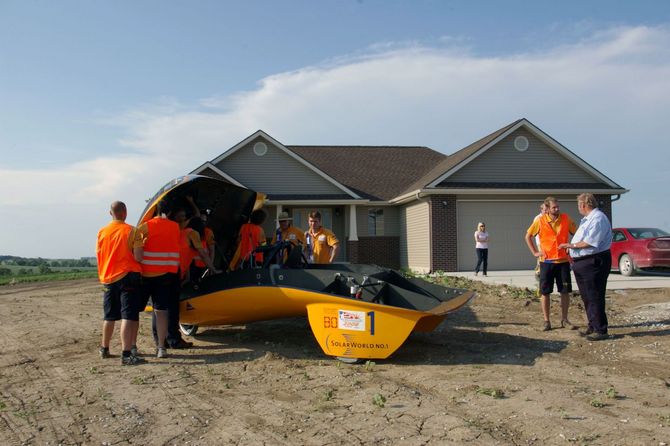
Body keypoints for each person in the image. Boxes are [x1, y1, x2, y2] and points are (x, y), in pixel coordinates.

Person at [559, 193, 612, 341]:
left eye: (578, 205)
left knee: (594, 294)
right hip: (582, 262)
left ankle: (601, 330)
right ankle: (592, 324)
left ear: (583, 205)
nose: (578, 208)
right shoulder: (587, 220)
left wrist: (570, 245)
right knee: (586, 296)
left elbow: (590, 242)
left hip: (593, 261)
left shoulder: (598, 219)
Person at [96, 201, 144, 365]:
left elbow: (100, 255)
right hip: (127, 276)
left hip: (108, 278)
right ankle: (126, 354)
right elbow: (138, 257)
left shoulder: (102, 232)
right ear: (125, 212)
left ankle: (104, 348)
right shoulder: (132, 231)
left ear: (110, 213)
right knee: (127, 316)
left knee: (109, 316)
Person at [133, 199, 181, 358]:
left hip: (146, 275)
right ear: (171, 212)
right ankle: (161, 347)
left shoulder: (145, 226)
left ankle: (132, 346)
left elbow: (138, 252)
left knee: (135, 311)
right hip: (166, 275)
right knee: (161, 312)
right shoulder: (175, 227)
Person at [525, 197, 578, 331]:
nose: (557, 209)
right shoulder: (540, 221)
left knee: (565, 291)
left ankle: (565, 320)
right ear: (547, 209)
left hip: (563, 262)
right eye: (554, 207)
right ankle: (546, 321)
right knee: (545, 292)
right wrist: (535, 252)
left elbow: (577, 233)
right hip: (546, 262)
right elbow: (527, 236)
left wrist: (571, 246)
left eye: (558, 207)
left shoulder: (566, 218)